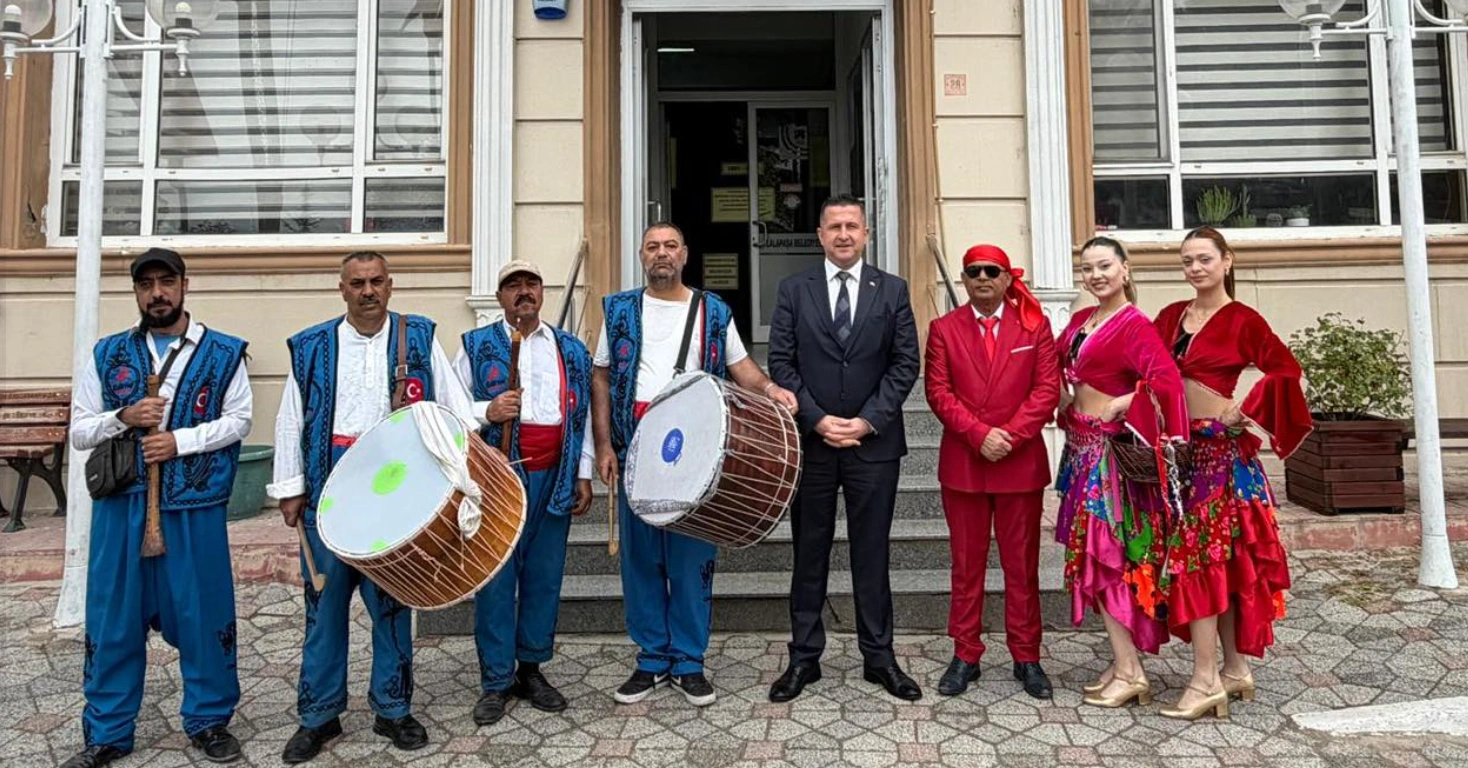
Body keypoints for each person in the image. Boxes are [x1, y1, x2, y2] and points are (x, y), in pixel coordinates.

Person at [268, 251, 476, 763]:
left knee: (391, 604)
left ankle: (393, 709)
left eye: (376, 281)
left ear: (391, 286)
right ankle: (318, 716)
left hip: (397, 491)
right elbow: (291, 419)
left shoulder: (420, 337)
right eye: (357, 282)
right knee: (324, 606)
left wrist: (459, 480)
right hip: (328, 487)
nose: (368, 291)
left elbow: (452, 409)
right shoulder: (312, 346)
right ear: (341, 289)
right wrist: (290, 487)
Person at [592, 222, 797, 707]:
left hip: (693, 445)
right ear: (641, 256)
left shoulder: (713, 309)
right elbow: (600, 377)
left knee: (690, 558)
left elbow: (741, 367)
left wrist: (769, 390)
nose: (661, 254)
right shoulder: (617, 309)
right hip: (636, 443)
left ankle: (688, 661)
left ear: (684, 253)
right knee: (641, 559)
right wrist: (603, 445)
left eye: (670, 246)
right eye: (652, 247)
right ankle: (650, 659)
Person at [65, 248, 252, 768]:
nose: (157, 294)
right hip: (121, 509)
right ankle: (107, 731)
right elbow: (79, 429)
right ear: (137, 293)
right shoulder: (107, 355)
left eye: (165, 282)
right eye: (145, 285)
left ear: (184, 285)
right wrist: (122, 415)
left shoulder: (223, 353)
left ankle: (209, 719)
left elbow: (239, 420)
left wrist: (180, 442)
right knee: (113, 620)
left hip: (194, 506)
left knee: (202, 613)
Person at [766, 195, 922, 703]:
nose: (843, 235)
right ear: (819, 234)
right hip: (812, 445)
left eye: (852, 226)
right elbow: (781, 362)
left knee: (871, 554)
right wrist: (816, 418)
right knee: (808, 553)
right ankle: (803, 658)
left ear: (867, 233)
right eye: (834, 226)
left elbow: (905, 364)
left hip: (872, 447)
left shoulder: (893, 290)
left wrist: (866, 422)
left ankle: (880, 657)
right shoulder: (794, 290)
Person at [1151, 226, 1310, 720]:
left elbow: (1285, 370)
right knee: (1218, 567)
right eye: (1187, 261)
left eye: (1203, 259)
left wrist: (1244, 408)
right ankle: (1235, 669)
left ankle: (1204, 682)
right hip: (1182, 457)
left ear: (1227, 261)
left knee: (1199, 565)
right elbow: (1147, 370)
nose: (1195, 268)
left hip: (1223, 462)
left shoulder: (1243, 319)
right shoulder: (1171, 316)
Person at [456, 260, 595, 726]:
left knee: (543, 574)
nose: (523, 293)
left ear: (542, 291)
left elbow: (581, 419)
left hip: (553, 475)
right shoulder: (475, 346)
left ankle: (531, 669)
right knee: (496, 578)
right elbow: (451, 412)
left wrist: (583, 471)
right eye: (512, 286)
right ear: (499, 297)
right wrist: (487, 409)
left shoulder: (570, 349)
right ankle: (496, 679)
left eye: (530, 284)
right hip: (497, 479)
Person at [1055, 237, 1188, 710]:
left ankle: (1130, 670)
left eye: (1105, 266)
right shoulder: (1079, 321)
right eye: (1087, 268)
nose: (1095, 275)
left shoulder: (1134, 325)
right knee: (1091, 557)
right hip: (1079, 449)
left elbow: (1168, 381)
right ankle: (1122, 659)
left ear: (1125, 270)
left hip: (1110, 459)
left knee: (1105, 557)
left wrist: (1127, 401)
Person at [923, 244, 1061, 700]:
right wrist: (980, 434)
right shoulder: (943, 329)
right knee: (966, 566)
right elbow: (938, 392)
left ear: (1006, 279)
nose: (982, 278)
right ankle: (966, 653)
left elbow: (1046, 391)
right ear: (963, 280)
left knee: (1021, 567)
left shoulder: (1033, 327)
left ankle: (1027, 655)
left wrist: (1010, 435)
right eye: (973, 272)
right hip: (965, 463)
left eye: (992, 271)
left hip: (1019, 464)